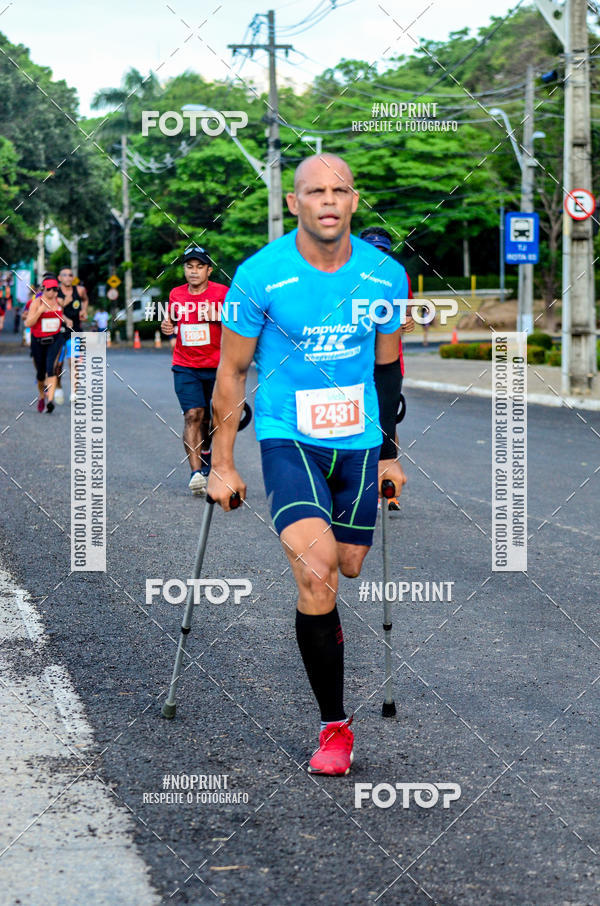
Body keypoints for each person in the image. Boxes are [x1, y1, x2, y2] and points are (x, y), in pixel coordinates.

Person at [208, 154, 408, 776]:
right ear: (294, 203)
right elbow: (232, 371)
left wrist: (392, 454)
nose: (327, 200)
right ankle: (334, 726)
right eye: (314, 191)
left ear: (353, 200)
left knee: (347, 565)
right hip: (287, 434)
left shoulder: (386, 276)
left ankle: (333, 708)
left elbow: (387, 368)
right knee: (316, 575)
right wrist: (222, 464)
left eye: (338, 190)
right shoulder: (260, 275)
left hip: (360, 439)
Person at [161, 246, 228, 495]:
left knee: (210, 420)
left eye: (200, 266)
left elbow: (238, 320)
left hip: (217, 367)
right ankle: (196, 474)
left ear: (209, 270)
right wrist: (167, 325)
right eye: (190, 266)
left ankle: (207, 450)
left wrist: (218, 314)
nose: (194, 271)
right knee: (193, 415)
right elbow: (170, 321)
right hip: (185, 365)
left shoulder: (222, 293)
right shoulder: (176, 294)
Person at [359, 226, 414, 512]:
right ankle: (362, 485)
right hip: (353, 363)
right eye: (371, 250)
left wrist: (407, 321)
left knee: (386, 423)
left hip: (390, 364)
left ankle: (389, 489)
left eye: (382, 251)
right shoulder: (348, 276)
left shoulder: (397, 275)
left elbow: (407, 312)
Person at [25, 275, 72, 413]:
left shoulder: (58, 301)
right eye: (50, 289)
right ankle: (41, 396)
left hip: (55, 340)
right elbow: (28, 323)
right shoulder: (36, 303)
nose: (53, 292)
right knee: (40, 373)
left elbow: (59, 315)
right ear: (43, 289)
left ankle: (50, 401)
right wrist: (40, 312)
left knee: (50, 368)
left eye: (56, 289)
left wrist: (67, 320)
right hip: (38, 341)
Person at [57, 266, 89, 403]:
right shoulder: (55, 292)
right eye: (65, 275)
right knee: (57, 365)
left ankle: (74, 392)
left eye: (70, 275)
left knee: (74, 362)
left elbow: (85, 299)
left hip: (75, 331)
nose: (68, 277)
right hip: (58, 332)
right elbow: (54, 309)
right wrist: (64, 318)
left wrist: (84, 310)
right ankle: (57, 385)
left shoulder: (79, 290)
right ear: (59, 278)